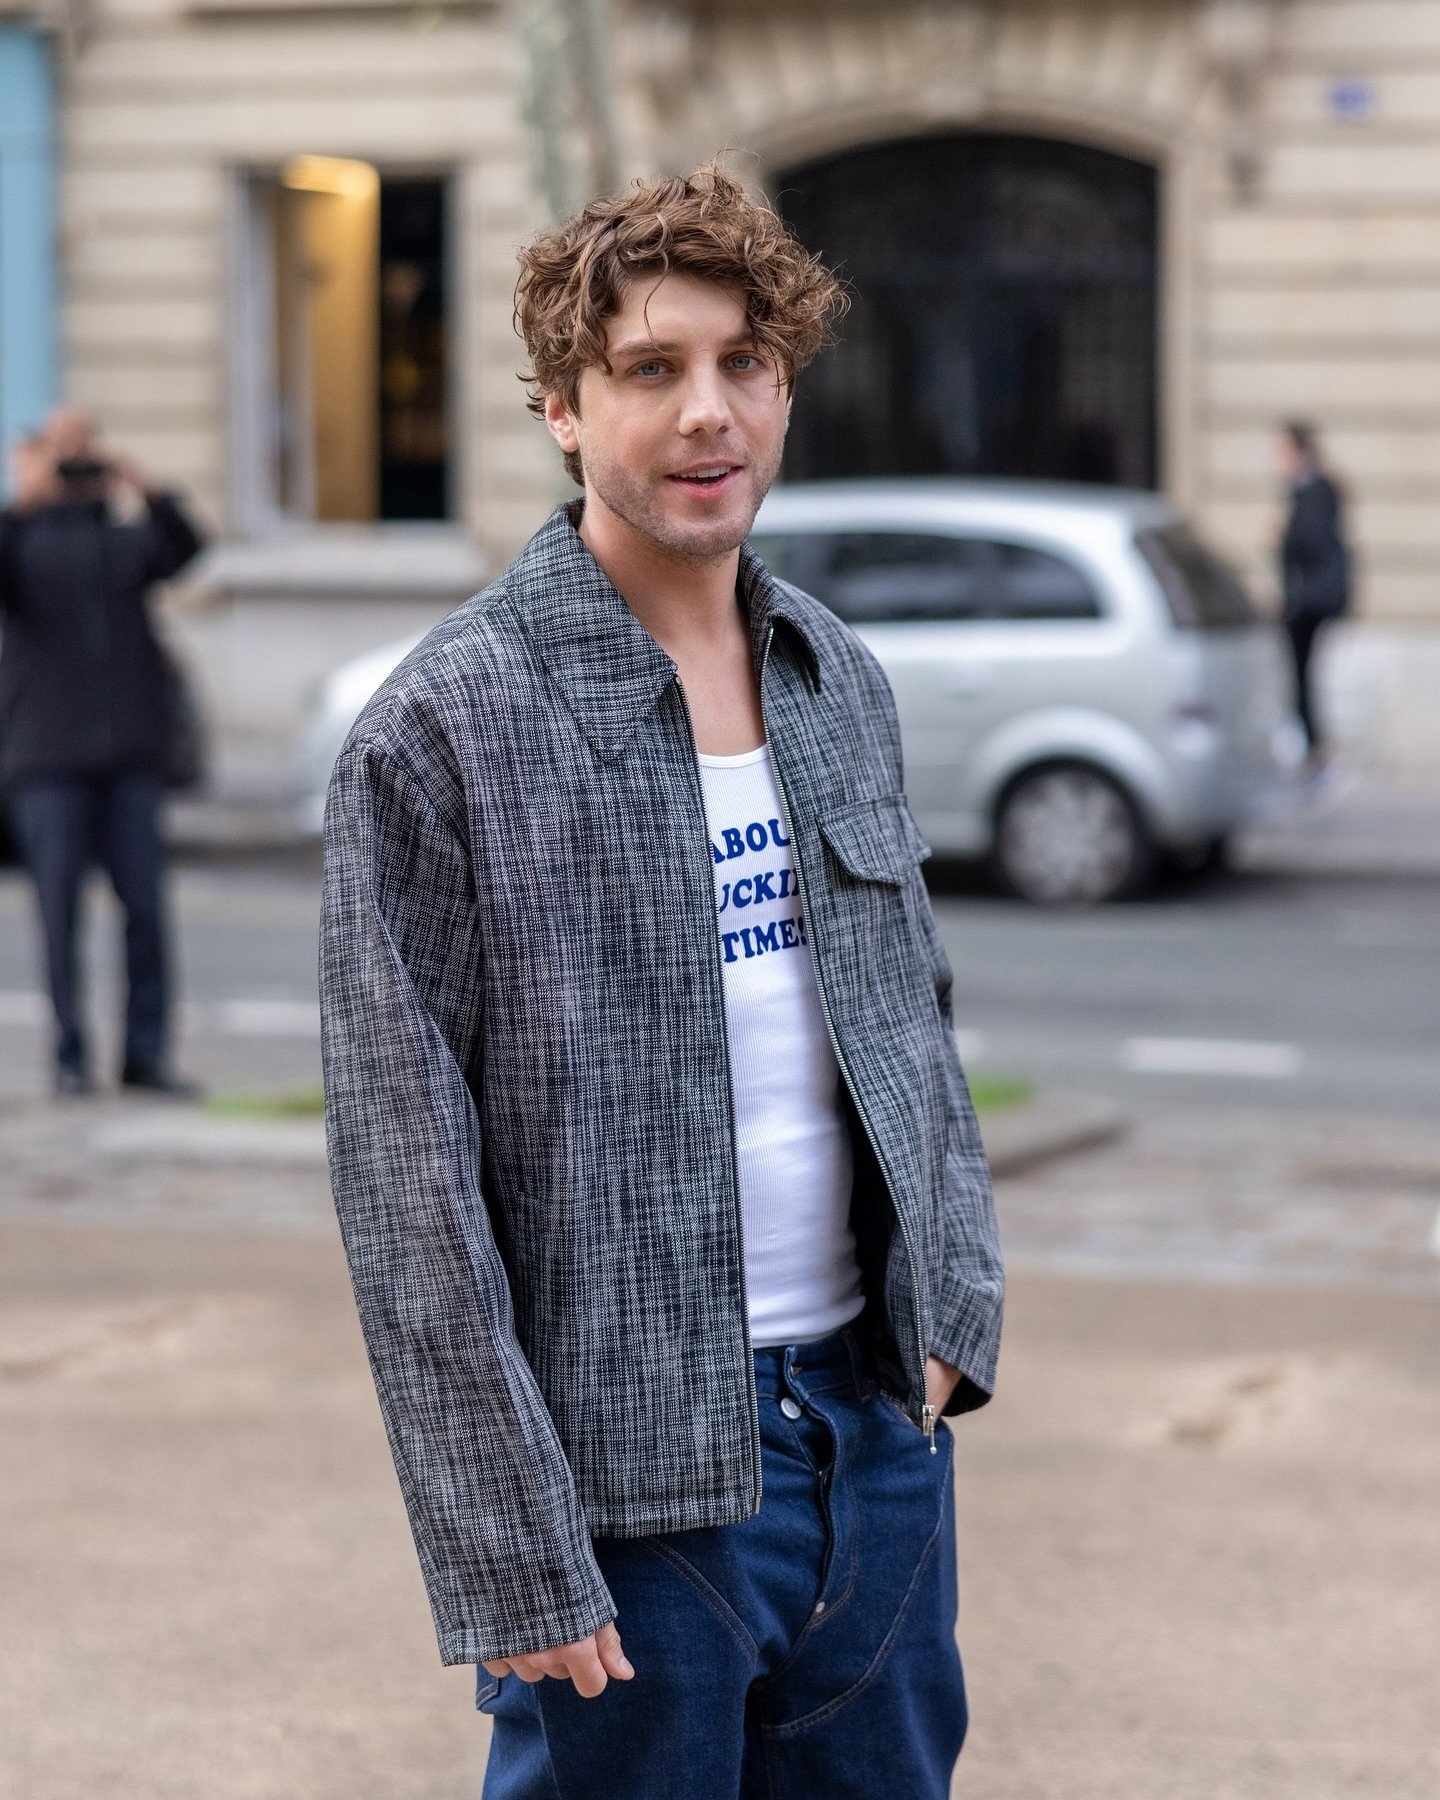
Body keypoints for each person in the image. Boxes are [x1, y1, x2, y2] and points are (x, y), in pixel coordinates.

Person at [321, 166, 1004, 1800]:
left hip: (875, 1450)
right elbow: (405, 1183)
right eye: (650, 370)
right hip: (628, 1503)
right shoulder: (441, 735)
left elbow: (919, 1017)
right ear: (562, 407)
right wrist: (513, 1555)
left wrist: (953, 1315)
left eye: (744, 367)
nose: (709, 414)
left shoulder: (834, 674)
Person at [0, 407, 204, 1095]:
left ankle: (144, 1058)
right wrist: (24, 498)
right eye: (62, 452)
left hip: (131, 755)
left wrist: (140, 486)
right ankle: (67, 1057)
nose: (74, 463)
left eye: (82, 449)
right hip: (45, 756)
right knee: (58, 914)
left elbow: (185, 549)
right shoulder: (21, 538)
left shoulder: (124, 538)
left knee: (144, 912)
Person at [1279, 420, 1352, 772]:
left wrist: (1283, 537)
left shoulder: (1312, 491)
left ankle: (1312, 748)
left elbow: (1312, 544)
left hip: (1308, 601)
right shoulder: (1310, 489)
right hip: (1308, 599)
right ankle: (1310, 745)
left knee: (1301, 674)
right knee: (1301, 674)